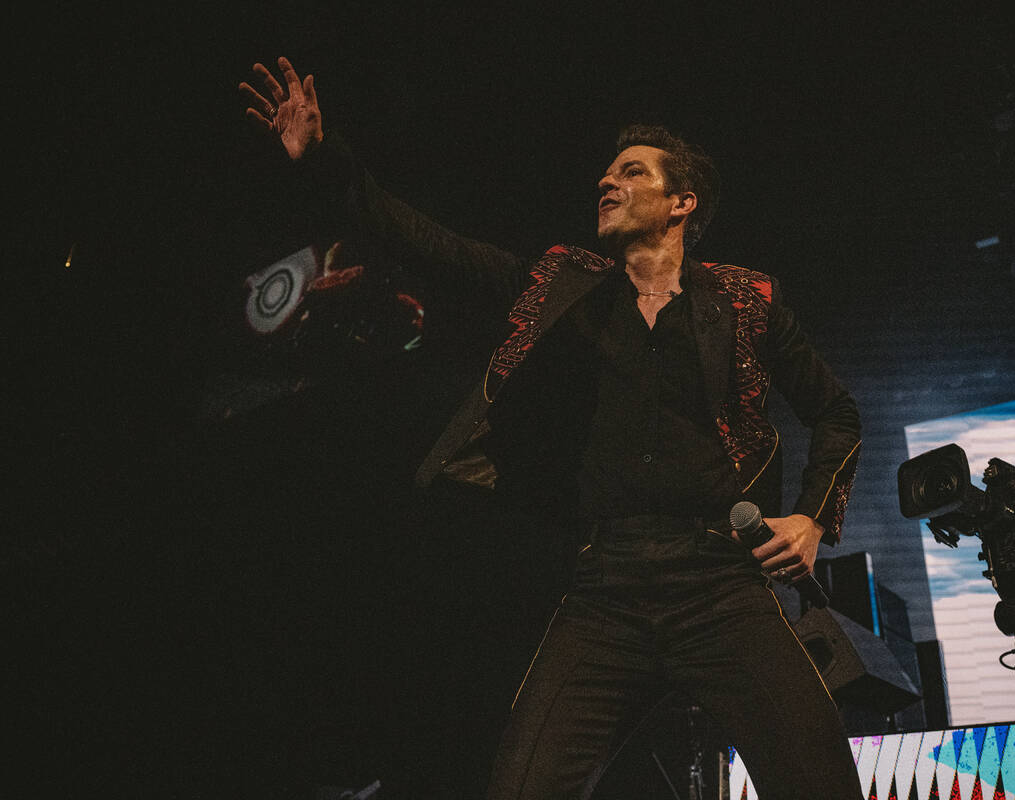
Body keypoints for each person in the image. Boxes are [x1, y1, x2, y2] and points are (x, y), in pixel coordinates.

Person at [241, 56, 864, 800]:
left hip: (720, 580)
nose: (608, 182)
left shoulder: (743, 301)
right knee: (525, 786)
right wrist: (325, 161)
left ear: (681, 203)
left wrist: (813, 520)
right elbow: (431, 244)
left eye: (632, 172)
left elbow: (835, 412)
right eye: (606, 173)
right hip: (608, 587)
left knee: (819, 775)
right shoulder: (563, 286)